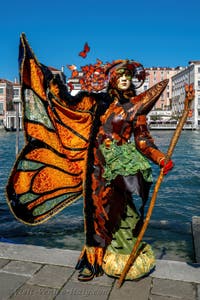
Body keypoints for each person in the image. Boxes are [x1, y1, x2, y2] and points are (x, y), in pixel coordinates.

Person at [6, 33, 173, 282]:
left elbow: (142, 141)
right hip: (96, 166)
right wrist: (50, 83)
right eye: (121, 76)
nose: (126, 80)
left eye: (129, 76)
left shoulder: (136, 110)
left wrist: (161, 159)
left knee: (126, 210)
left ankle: (124, 254)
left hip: (123, 165)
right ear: (114, 80)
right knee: (96, 213)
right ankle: (93, 261)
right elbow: (68, 104)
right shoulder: (98, 103)